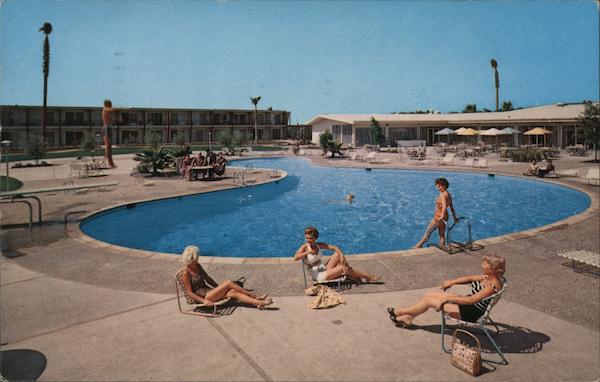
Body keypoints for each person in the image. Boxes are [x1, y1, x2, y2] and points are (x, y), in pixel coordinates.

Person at [387, 254, 505, 327]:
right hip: (465, 304)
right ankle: (409, 317)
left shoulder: (492, 286)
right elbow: (469, 278)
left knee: (428, 301)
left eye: (484, 263)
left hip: (468, 313)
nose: (481, 265)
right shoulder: (487, 277)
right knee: (428, 295)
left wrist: (449, 299)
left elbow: (471, 300)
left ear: (492, 269)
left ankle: (400, 312)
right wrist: (451, 282)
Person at [180, 245, 273, 309]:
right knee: (229, 282)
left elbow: (208, 279)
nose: (197, 260)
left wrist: (219, 288)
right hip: (201, 297)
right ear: (190, 260)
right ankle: (254, 296)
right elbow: (190, 293)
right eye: (195, 259)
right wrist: (204, 301)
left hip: (208, 292)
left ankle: (259, 303)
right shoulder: (185, 273)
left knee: (232, 292)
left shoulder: (197, 266)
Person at [294, 226, 381, 283]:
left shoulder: (318, 245)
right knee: (342, 267)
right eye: (307, 238)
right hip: (317, 275)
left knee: (337, 254)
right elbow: (296, 257)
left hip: (323, 269)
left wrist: (342, 256)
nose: (308, 240)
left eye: (311, 238)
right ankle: (367, 276)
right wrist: (308, 252)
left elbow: (334, 247)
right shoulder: (305, 247)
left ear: (316, 238)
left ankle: (350, 275)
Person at [415, 177, 458, 248]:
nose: (438, 189)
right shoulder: (448, 194)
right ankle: (442, 246)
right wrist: (454, 217)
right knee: (441, 234)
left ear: (443, 185)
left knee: (428, 232)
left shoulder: (442, 195)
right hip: (445, 217)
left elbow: (444, 206)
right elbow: (451, 207)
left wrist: (441, 216)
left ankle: (418, 246)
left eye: (439, 186)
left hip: (439, 216)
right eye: (437, 187)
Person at [101, 99, 118, 168]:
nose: (111, 105)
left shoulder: (107, 111)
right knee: (108, 146)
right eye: (110, 104)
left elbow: (111, 116)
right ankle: (110, 163)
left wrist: (115, 118)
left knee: (108, 146)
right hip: (107, 128)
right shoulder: (105, 109)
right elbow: (111, 109)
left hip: (108, 128)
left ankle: (107, 162)